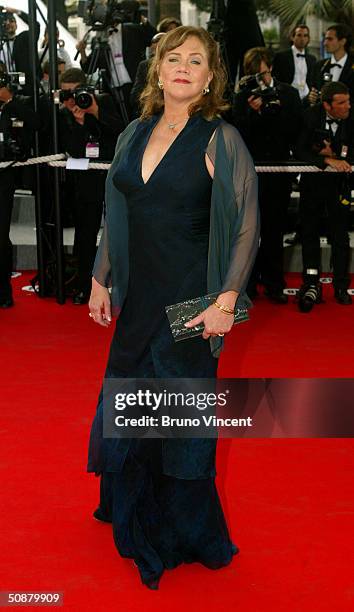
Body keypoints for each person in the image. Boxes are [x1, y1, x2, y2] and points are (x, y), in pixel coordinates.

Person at [87, 26, 259, 589]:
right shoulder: (133, 133)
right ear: (157, 69)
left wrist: (227, 302)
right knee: (133, 402)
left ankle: (181, 531)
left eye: (196, 60)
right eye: (173, 58)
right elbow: (117, 213)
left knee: (178, 418)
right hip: (138, 298)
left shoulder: (220, 138)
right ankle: (130, 509)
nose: (182, 67)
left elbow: (246, 230)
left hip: (191, 301)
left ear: (211, 78)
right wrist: (100, 278)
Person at [232, 46, 302, 303]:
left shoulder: (289, 94)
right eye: (253, 75)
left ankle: (274, 282)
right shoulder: (241, 96)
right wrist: (253, 112)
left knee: (274, 229)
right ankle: (247, 284)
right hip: (249, 172)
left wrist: (274, 110)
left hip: (278, 172)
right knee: (247, 231)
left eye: (261, 73)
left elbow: (294, 130)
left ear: (270, 68)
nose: (258, 80)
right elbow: (238, 133)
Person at [59, 68, 124, 304]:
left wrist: (95, 112)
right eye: (66, 93)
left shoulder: (103, 101)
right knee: (85, 234)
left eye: (77, 92)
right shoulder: (65, 111)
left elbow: (122, 132)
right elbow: (72, 150)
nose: (73, 98)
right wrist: (77, 121)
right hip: (86, 177)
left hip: (112, 172)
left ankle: (123, 283)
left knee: (119, 229)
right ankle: (83, 285)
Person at [295, 81, 353, 311]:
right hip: (313, 185)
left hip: (340, 187)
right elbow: (298, 149)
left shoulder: (353, 118)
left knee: (340, 237)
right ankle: (311, 282)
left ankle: (340, 285)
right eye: (341, 103)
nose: (348, 106)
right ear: (327, 105)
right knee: (309, 234)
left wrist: (337, 154)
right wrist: (326, 160)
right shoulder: (309, 117)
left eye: (348, 101)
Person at [0, 61, 40, 307]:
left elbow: (36, 124)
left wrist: (9, 101)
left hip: (4, 176)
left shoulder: (15, 107)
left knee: (1, 236)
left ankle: (3, 292)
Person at [309, 24, 354, 106]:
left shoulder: (352, 66)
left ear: (342, 41)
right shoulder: (319, 66)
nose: (325, 43)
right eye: (325, 39)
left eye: (330, 39)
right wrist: (311, 97)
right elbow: (313, 92)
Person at [0, 6, 40, 94]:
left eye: (11, 21)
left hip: (25, 85)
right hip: (4, 86)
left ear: (16, 24)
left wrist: (18, 12)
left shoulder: (24, 38)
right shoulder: (1, 44)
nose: (8, 24)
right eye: (5, 22)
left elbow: (36, 25)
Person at [272, 24, 317, 102]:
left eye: (305, 35)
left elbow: (312, 80)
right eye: (299, 35)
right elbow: (275, 78)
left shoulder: (312, 59)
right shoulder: (281, 56)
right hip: (287, 98)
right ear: (292, 37)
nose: (302, 38)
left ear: (308, 39)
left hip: (306, 99)